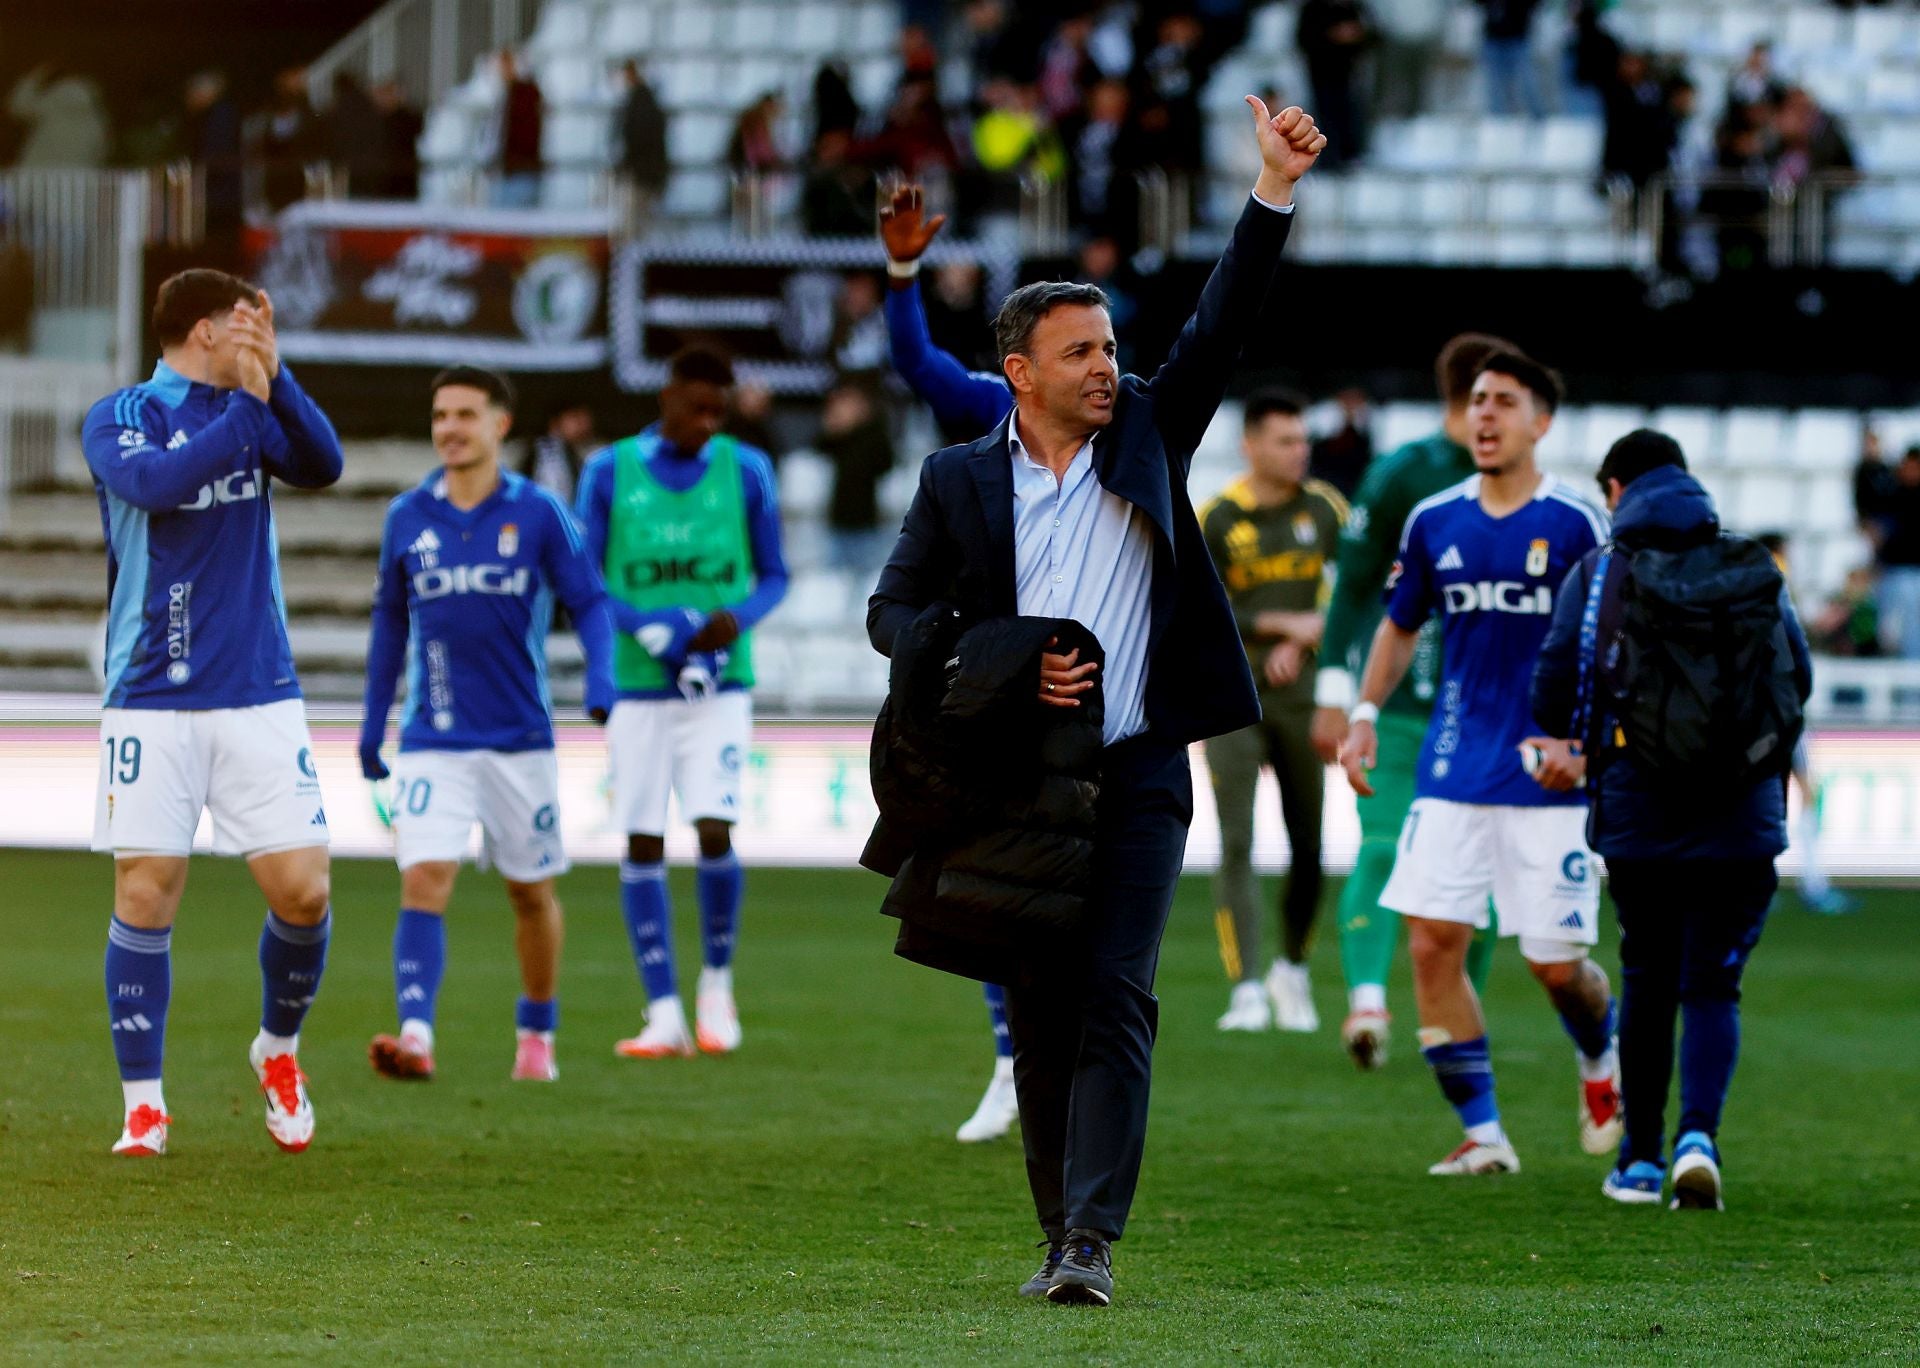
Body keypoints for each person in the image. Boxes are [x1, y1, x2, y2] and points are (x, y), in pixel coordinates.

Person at [868, 97, 1323, 1307]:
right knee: (1042, 1017)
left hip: (1137, 776)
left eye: (1113, 349)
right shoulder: (957, 479)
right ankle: (1056, 1230)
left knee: (1118, 993)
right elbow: (891, 617)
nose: (1109, 367)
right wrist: (1006, 657)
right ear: (1019, 373)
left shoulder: (1150, 437)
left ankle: (1090, 1243)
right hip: (1012, 782)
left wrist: (1270, 189)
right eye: (1082, 353)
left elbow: (1221, 324)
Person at [80, 269, 344, 1156]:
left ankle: (278, 1046)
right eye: (247, 326)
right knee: (146, 892)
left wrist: (280, 381)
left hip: (259, 689)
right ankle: (144, 1104)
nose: (257, 340)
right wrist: (247, 407)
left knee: (304, 891)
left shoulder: (255, 407)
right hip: (150, 694)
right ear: (203, 330)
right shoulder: (121, 414)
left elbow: (323, 465)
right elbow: (156, 485)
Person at [1337, 351, 1620, 1177]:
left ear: (1542, 422)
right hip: (1453, 767)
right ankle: (1484, 1132)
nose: (1485, 415)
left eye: (1505, 402)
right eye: (1476, 401)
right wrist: (1362, 714)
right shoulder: (1434, 519)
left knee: (1554, 965)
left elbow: (1610, 647)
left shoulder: (1576, 524)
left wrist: (1586, 746)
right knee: (1431, 944)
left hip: (1547, 779)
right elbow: (1397, 623)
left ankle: (1600, 1064)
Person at [1530, 430, 1813, 1208]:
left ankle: (1642, 1160)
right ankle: (1701, 1139)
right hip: (1744, 813)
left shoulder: (1599, 573)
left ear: (1616, 490)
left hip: (1640, 811)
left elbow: (1552, 689)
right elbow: (1801, 677)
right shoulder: (1752, 567)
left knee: (1649, 979)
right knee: (1715, 986)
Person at [358, 367, 622, 1083]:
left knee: (530, 892)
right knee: (425, 878)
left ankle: (537, 1033)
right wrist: (372, 721)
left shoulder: (539, 512)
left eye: (465, 415)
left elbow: (592, 602)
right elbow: (389, 622)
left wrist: (603, 678)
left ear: (499, 425)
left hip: (518, 739)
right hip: (433, 737)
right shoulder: (408, 515)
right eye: (440, 414)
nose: (449, 428)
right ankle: (416, 1033)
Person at [576, 348, 789, 1058]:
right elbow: (587, 579)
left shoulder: (747, 469)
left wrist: (738, 617)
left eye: (716, 413)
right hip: (640, 686)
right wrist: (644, 624)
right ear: (667, 397)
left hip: (721, 682)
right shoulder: (609, 470)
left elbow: (775, 576)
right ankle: (661, 1010)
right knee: (641, 835)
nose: (705, 423)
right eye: (695, 408)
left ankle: (717, 988)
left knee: (715, 826)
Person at [1311, 334, 1511, 1070]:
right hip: (1395, 708)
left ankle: (1457, 1021)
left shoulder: (1520, 481)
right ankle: (1368, 1001)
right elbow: (1356, 580)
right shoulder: (1405, 473)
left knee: (1477, 876)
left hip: (1484, 714)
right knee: (1384, 845)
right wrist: (1336, 691)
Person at [1201, 391, 1349, 1033]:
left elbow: (1360, 592)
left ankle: (1293, 968)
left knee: (1310, 845)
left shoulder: (1326, 508)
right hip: (1232, 696)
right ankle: (1246, 988)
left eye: (1302, 441)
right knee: (1237, 842)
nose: (1300, 452)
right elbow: (1197, 613)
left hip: (1302, 695)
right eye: (1286, 441)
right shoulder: (1217, 518)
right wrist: (1274, 623)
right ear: (1252, 445)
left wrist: (1304, 635)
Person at [491, 51, 543, 209]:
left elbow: (527, 135)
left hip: (522, 171)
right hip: (509, 171)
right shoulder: (507, 95)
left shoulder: (526, 96)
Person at [1478, 0, 1546, 120]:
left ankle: (1538, 117)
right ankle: (1498, 121)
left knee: (1527, 80)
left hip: (1518, 39)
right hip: (1493, 40)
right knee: (1495, 85)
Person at [518, 400, 595, 505]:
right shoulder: (547, 450)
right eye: (575, 417)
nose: (584, 424)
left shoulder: (580, 451)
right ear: (555, 423)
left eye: (585, 417)